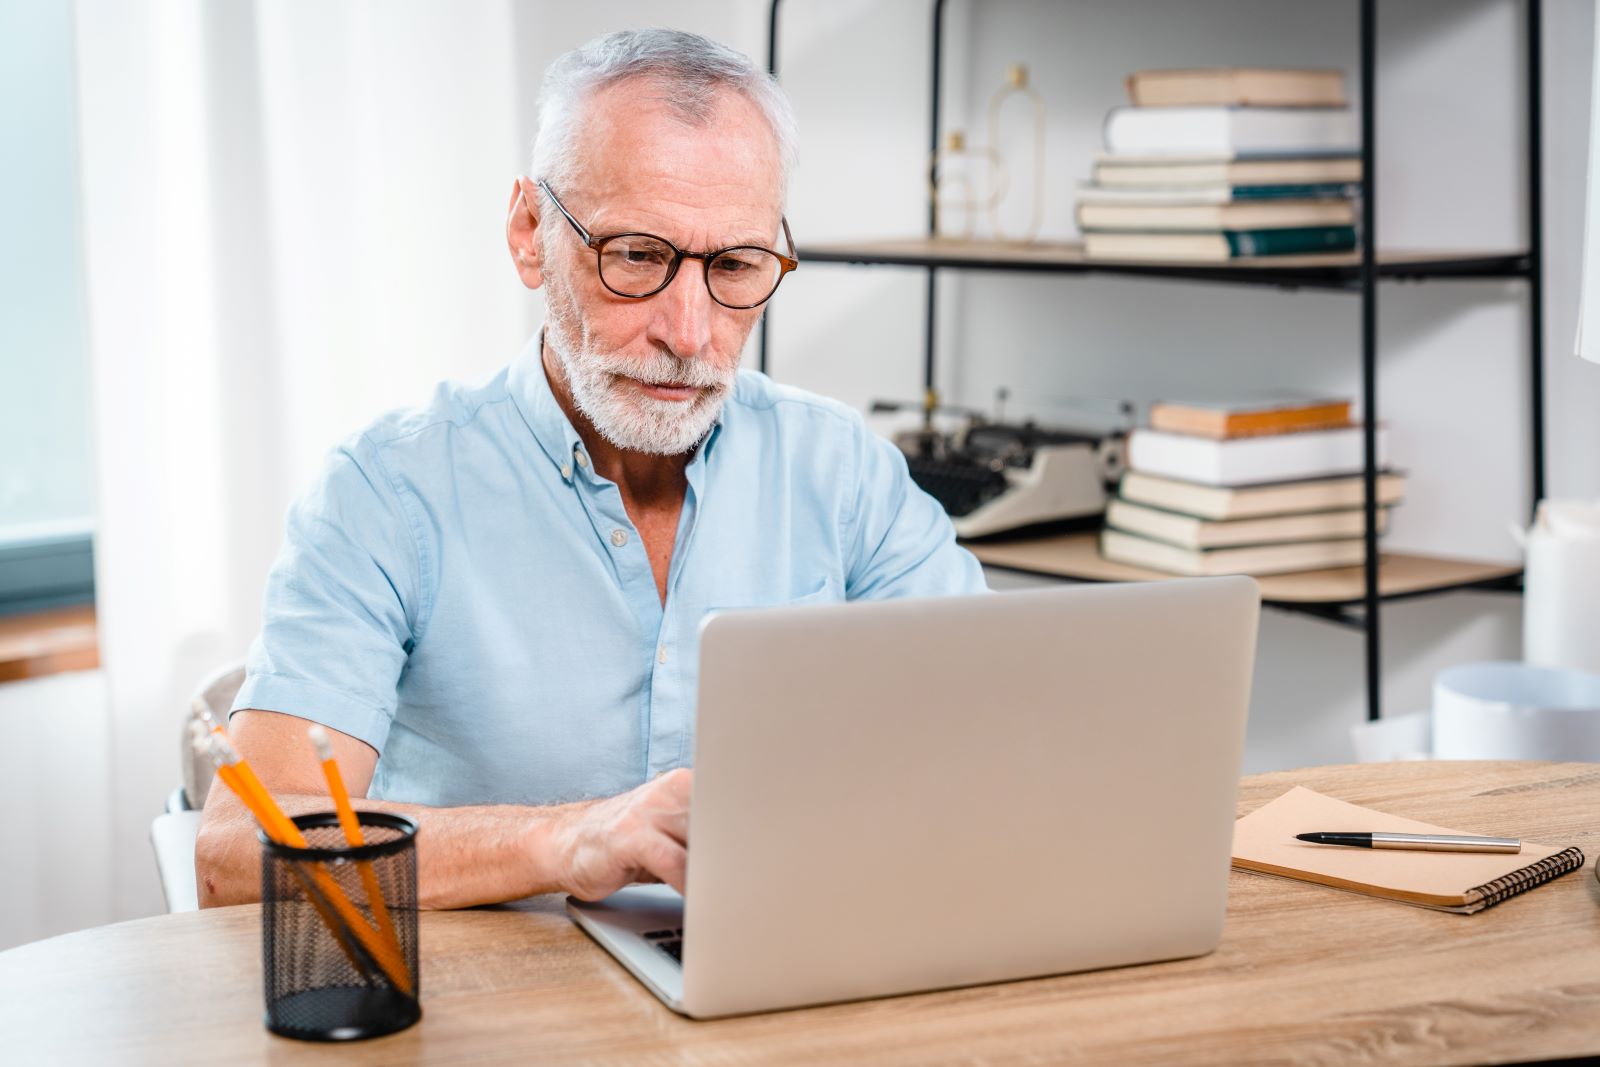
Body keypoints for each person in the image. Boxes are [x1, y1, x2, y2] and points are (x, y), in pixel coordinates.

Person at [195, 27, 986, 909]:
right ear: (531, 232)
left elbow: (1001, 747)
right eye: (637, 257)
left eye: (734, 266)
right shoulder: (386, 491)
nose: (688, 334)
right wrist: (563, 840)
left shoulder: (845, 475)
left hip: (777, 982)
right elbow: (235, 855)